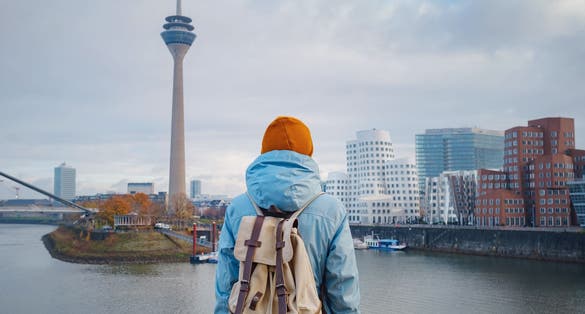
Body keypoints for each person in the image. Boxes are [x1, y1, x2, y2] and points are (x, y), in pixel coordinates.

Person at [214, 116, 360, 313]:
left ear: (265, 151)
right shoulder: (332, 210)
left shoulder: (237, 208)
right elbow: (342, 288)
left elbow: (226, 285)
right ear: (308, 152)